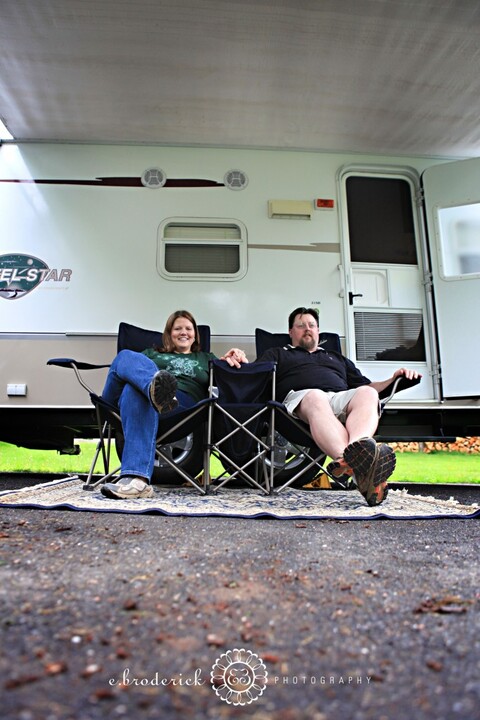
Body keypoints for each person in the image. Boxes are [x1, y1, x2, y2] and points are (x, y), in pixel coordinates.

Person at [257, 307, 421, 506]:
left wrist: (394, 379)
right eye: (301, 326)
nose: (307, 329)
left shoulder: (336, 358)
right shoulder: (277, 353)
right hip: (299, 404)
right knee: (316, 396)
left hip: (339, 399)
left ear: (318, 331)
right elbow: (252, 375)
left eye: (312, 325)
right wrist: (237, 358)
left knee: (368, 394)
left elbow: (368, 386)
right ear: (291, 332)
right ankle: (353, 461)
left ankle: (355, 457)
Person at [100, 310, 248, 500]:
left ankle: (136, 481)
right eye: (177, 328)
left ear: (195, 334)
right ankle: (155, 389)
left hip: (179, 407)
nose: (183, 332)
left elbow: (232, 376)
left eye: (188, 328)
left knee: (132, 392)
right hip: (129, 404)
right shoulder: (151, 354)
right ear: (169, 333)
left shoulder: (204, 358)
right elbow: (125, 366)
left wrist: (234, 357)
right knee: (125, 358)